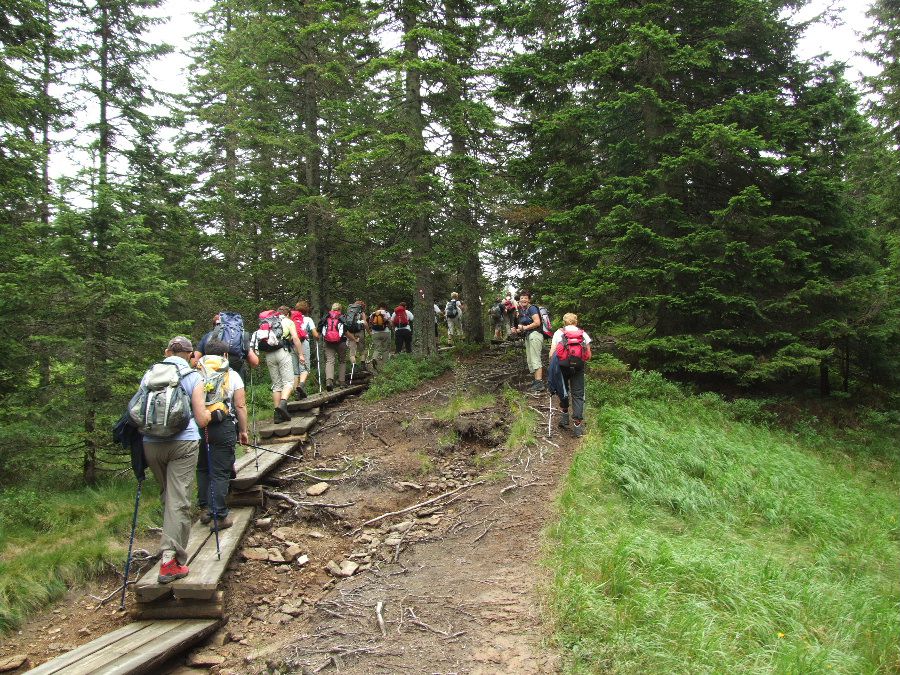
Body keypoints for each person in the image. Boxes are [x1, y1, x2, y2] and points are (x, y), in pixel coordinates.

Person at [141, 336, 211, 584]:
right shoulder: (193, 377)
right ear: (191, 355)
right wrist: (211, 415)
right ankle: (170, 560)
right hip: (183, 442)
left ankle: (168, 544)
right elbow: (202, 419)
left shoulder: (149, 375)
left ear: (167, 351)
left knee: (168, 495)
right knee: (178, 499)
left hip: (151, 443)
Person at [195, 339, 250, 530]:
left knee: (202, 468)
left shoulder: (195, 373)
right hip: (222, 424)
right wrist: (243, 431)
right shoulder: (231, 375)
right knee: (220, 472)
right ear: (225, 355)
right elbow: (240, 406)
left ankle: (205, 509)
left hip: (198, 425)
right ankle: (220, 515)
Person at [253, 308, 304, 423]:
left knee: (276, 385)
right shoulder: (288, 322)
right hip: (282, 352)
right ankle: (283, 404)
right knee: (289, 382)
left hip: (269, 355)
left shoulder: (267, 323)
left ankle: (277, 415)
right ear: (287, 314)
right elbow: (295, 338)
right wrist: (300, 354)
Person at [549, 313, 592, 437]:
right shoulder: (583, 334)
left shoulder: (558, 333)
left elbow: (552, 352)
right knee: (578, 394)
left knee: (563, 390)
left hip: (562, 366)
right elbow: (588, 355)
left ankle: (564, 418)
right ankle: (578, 427)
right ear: (576, 322)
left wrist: (552, 367)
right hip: (578, 367)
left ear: (564, 322)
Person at [194, 313, 259, 378]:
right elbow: (255, 362)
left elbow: (194, 361)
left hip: (211, 380)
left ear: (215, 325)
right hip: (236, 379)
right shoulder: (240, 337)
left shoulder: (208, 337)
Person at [510, 292, 545, 392]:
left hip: (535, 335)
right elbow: (522, 328)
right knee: (530, 360)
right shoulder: (522, 311)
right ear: (519, 300)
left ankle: (539, 382)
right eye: (522, 298)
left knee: (535, 358)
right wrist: (516, 330)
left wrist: (524, 327)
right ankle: (536, 381)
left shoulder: (532, 308)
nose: (523, 300)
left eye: (526, 298)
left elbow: (537, 322)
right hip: (528, 335)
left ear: (529, 300)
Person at [319, 302, 350, 390]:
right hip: (341, 342)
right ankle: (342, 382)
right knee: (342, 361)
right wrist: (353, 339)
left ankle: (329, 381)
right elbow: (346, 331)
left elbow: (320, 328)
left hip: (328, 342)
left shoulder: (326, 316)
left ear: (332, 309)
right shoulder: (342, 317)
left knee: (329, 361)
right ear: (340, 309)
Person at [292, 300, 319, 396]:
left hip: (292, 344)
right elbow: (315, 334)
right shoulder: (308, 320)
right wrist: (318, 337)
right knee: (304, 367)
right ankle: (301, 385)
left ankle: (296, 393)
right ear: (306, 310)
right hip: (303, 343)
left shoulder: (291, 319)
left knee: (295, 371)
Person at [346, 299, 368, 375]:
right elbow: (365, 323)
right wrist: (369, 331)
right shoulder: (361, 313)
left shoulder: (350, 312)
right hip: (360, 332)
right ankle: (363, 365)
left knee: (352, 352)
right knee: (362, 350)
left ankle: (354, 367)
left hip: (350, 333)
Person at [369, 302, 393, 372]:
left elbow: (370, 323)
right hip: (385, 332)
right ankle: (385, 366)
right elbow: (390, 322)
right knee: (385, 349)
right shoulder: (386, 313)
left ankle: (374, 358)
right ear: (385, 307)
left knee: (377, 348)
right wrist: (390, 327)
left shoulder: (373, 313)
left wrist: (371, 331)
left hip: (375, 333)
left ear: (378, 307)